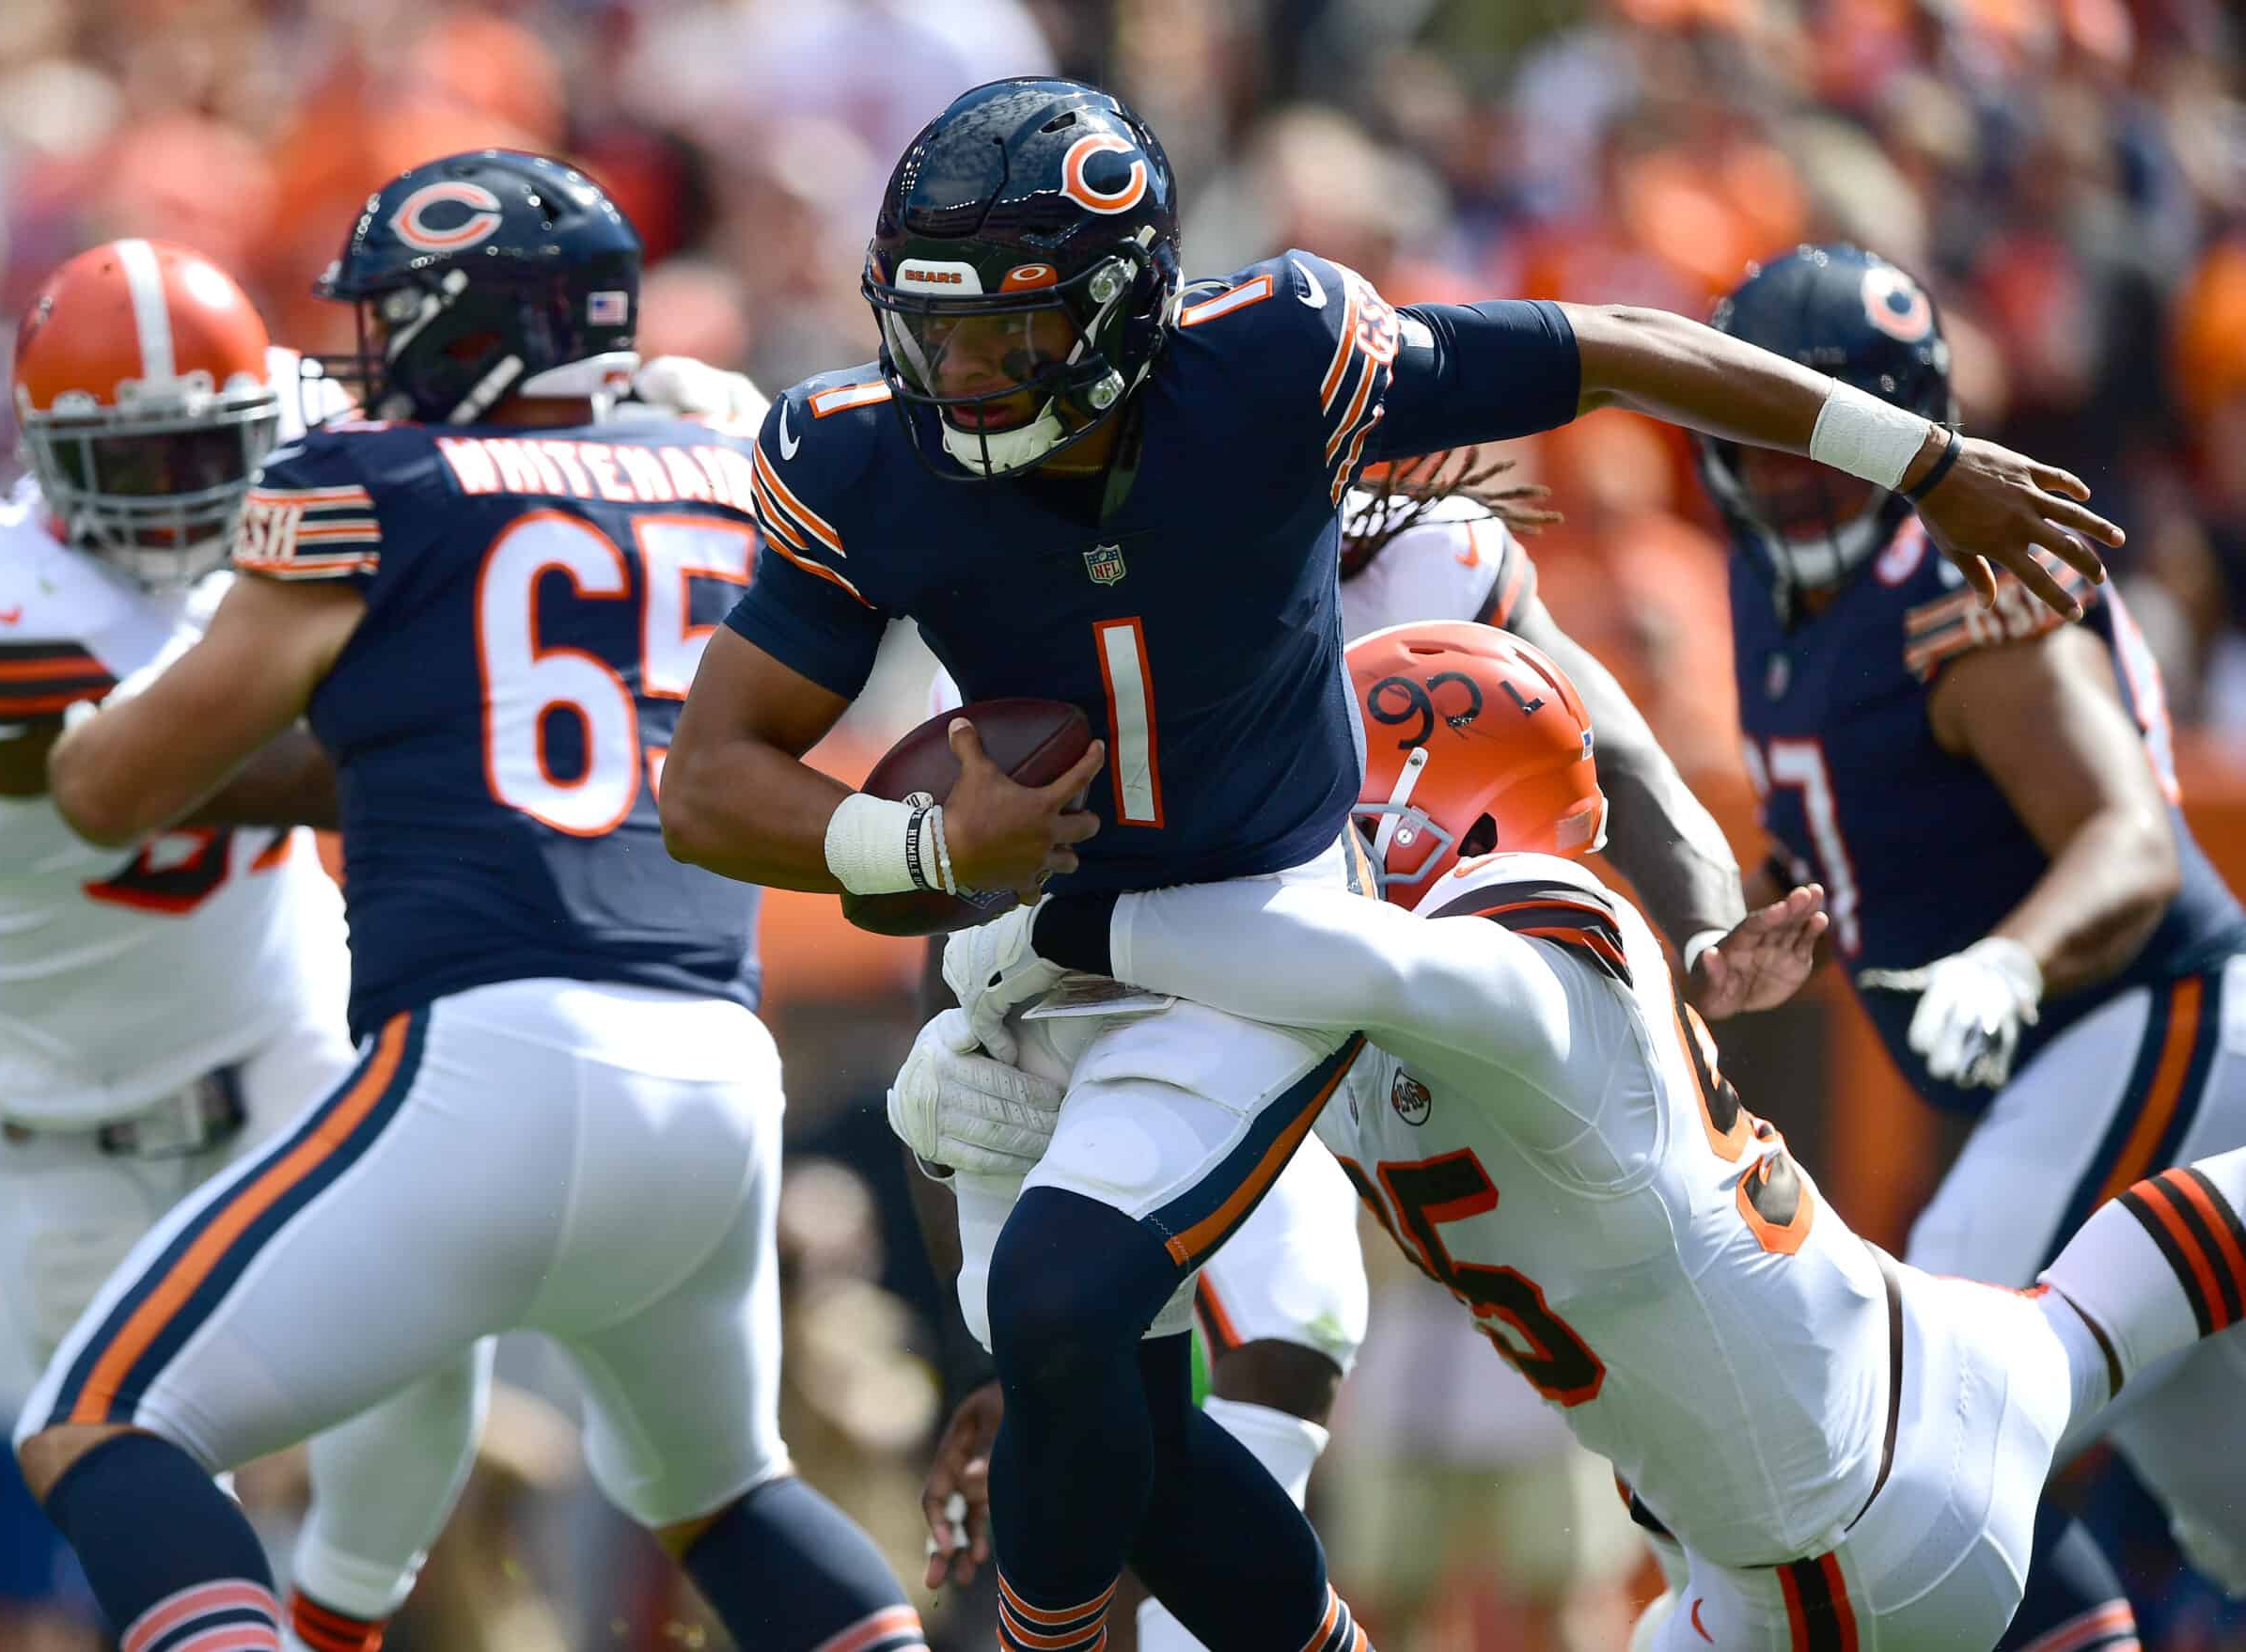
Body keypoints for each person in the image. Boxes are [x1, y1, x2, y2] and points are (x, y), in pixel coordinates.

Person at [657, 73, 2123, 1652]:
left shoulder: (1282, 363)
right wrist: (935, 840)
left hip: (1257, 921)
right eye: (934, 324)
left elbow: (1624, 350)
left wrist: (1918, 461)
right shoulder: (864, 456)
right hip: (1042, 943)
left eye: (1009, 330)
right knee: (1108, 1417)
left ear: (1121, 311)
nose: (961, 368)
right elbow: (710, 779)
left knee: (1070, 1308)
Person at [910, 618, 2246, 1650]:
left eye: (1324, 800)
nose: (1291, 836)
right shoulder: (1352, 999)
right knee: (2139, 1266)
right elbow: (1147, 1188)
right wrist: (976, 1110)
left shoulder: (1540, 929)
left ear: (1423, 796)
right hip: (1886, 1415)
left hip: (1849, 1530)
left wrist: (1056, 929)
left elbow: (1359, 969)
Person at [12, 149, 925, 1652]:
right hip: (712, 1077)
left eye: (396, 322)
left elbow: (115, 789)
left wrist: (67, 735)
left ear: (468, 327)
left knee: (101, 1423)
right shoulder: (734, 473)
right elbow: (494, 736)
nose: (374, 359)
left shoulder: (376, 486)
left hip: (490, 1060)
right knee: (730, 1493)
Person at [905, 450, 1797, 1652]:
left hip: (1358, 1003)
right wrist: (999, 1296)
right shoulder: (1118, 583)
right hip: (1173, 1022)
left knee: (1276, 1354)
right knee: (1156, 1379)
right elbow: (971, 894)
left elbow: (1617, 760)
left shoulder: (1441, 573)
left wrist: (1701, 937)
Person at [0, 237, 489, 1652]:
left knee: (434, 1316)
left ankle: (341, 1620)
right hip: (60, 1122)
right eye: (135, 464)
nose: (176, 498)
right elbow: (277, 766)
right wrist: (463, 727)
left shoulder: (296, 438)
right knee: (143, 1467)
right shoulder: (1, 611)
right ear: (45, 459)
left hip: (280, 1035)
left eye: (202, 452)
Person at [1703, 243, 2246, 1645]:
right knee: (2231, 1510)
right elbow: (1863, 822)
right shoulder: (1774, 588)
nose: (1785, 480)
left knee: (1926, 1397)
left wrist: (2010, 959)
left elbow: (2127, 836)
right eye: (1763, 441)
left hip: (2150, 1012)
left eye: (1824, 447)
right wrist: (1782, 919)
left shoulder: (1962, 570)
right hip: (2054, 1066)